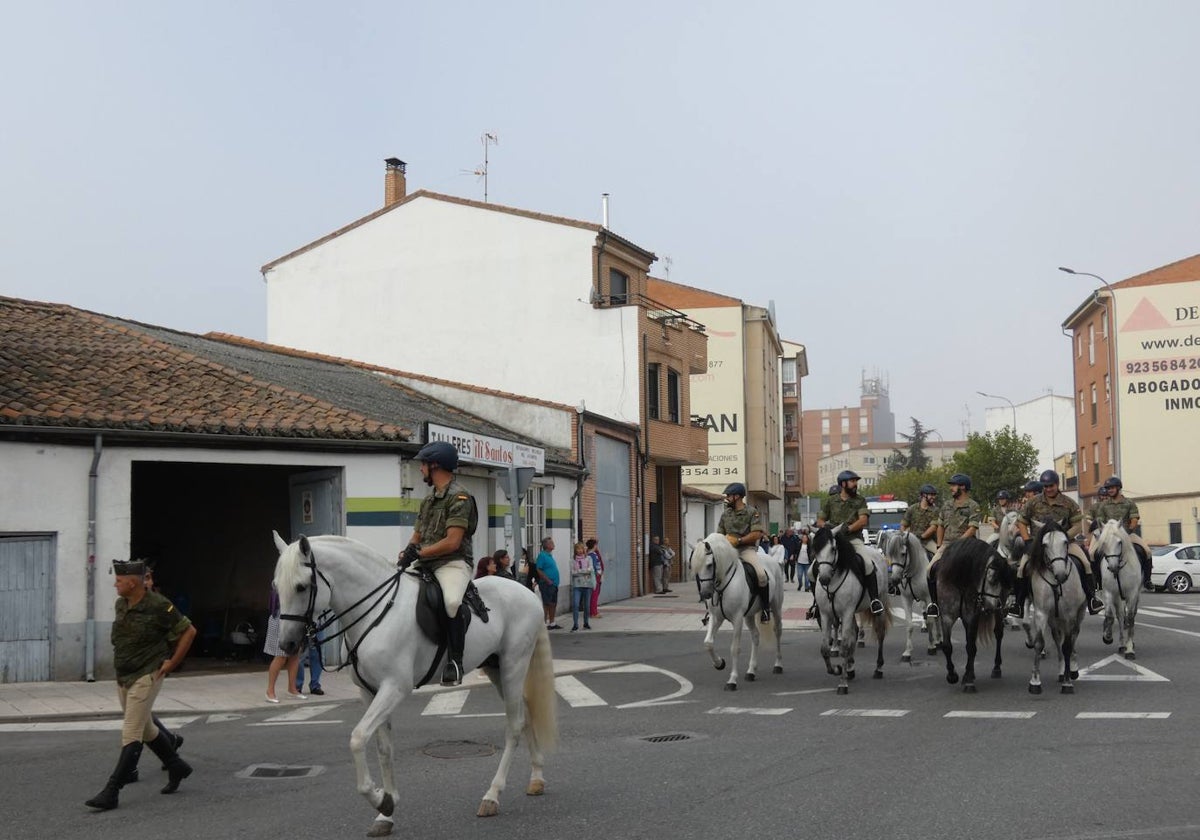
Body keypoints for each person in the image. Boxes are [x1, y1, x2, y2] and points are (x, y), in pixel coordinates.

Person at [85, 559, 196, 810]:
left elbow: (188, 632)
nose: (115, 584)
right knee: (147, 730)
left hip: (148, 673)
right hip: (125, 675)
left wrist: (172, 662)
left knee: (131, 732)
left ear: (132, 582)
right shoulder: (120, 604)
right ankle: (177, 766)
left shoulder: (159, 605)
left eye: (119, 580)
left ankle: (112, 791)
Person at [397, 440, 480, 686]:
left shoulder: (460, 497)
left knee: (452, 601)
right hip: (427, 563)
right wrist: (406, 553)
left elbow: (453, 542)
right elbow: (418, 535)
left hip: (452, 563)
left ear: (435, 465)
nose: (420, 469)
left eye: (423, 464)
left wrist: (420, 553)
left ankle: (455, 662)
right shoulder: (428, 499)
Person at [1008, 469, 1104, 618]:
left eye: (1051, 485)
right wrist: (1027, 541)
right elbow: (1021, 522)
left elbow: (1078, 524)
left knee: (1085, 563)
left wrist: (1062, 537)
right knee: (1021, 568)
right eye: (1045, 486)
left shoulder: (1068, 502)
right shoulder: (1033, 502)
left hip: (1064, 543)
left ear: (1057, 484)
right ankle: (1018, 604)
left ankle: (1092, 599)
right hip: (1039, 545)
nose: (1048, 489)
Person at [816, 470, 884, 615]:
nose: (855, 484)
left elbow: (863, 520)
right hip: (834, 541)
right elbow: (820, 520)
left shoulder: (860, 500)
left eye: (855, 481)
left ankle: (874, 600)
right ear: (843, 484)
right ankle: (817, 603)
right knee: (813, 570)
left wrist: (848, 529)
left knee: (867, 564)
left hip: (853, 540)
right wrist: (828, 529)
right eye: (853, 481)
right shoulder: (830, 501)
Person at [924, 474, 982, 618]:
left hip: (967, 545)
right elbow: (940, 526)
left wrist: (959, 543)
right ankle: (934, 604)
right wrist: (939, 545)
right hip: (947, 544)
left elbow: (972, 528)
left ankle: (982, 601)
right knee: (929, 569)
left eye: (953, 485)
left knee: (982, 570)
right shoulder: (946, 505)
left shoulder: (973, 505)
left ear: (962, 487)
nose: (951, 488)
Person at [718, 482, 773, 623]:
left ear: (737, 496)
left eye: (729, 496)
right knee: (712, 571)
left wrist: (739, 541)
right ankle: (712, 609)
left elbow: (756, 534)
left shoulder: (751, 512)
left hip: (746, 550)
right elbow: (720, 534)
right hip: (728, 551)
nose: (727, 498)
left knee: (761, 575)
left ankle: (765, 609)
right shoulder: (725, 514)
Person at [1087, 476, 1153, 589]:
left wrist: (1128, 530)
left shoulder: (1129, 503)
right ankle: (1097, 581)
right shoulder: (1104, 505)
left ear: (1118, 488)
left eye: (1112, 488)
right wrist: (1104, 532)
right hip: (1108, 535)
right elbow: (1100, 521)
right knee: (1092, 554)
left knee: (1147, 551)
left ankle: (1147, 580)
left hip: (1127, 533)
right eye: (1108, 488)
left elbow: (1134, 520)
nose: (1110, 490)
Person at [264, 582, 305, 703]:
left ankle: (292, 689)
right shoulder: (281, 579)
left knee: (295, 655)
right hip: (280, 619)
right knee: (281, 656)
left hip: (293, 619)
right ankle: (270, 691)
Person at [901, 483, 940, 558]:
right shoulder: (912, 508)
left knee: (939, 555)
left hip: (927, 541)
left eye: (934, 495)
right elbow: (904, 525)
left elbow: (933, 527)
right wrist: (903, 538)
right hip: (911, 540)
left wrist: (921, 537)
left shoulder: (935, 510)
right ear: (924, 495)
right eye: (931, 495)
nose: (933, 497)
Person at [534, 536, 561, 629]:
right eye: (551, 543)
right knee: (547, 603)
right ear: (546, 545)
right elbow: (539, 569)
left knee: (553, 603)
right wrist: (547, 580)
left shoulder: (550, 555)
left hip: (554, 584)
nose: (553, 544)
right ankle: (544, 623)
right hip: (546, 584)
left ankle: (552, 622)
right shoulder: (542, 555)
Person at [569, 542, 595, 631]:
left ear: (583, 549)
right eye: (577, 549)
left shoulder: (588, 558)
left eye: (581, 549)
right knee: (575, 604)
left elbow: (590, 569)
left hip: (587, 585)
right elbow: (573, 572)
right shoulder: (572, 560)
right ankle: (575, 624)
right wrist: (584, 571)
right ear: (575, 550)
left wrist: (580, 571)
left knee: (586, 606)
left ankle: (586, 623)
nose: (579, 551)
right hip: (577, 586)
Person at [294, 623, 324, 696]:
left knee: (317, 655)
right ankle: (297, 685)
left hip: (317, 624)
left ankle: (315, 685)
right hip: (302, 625)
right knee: (300, 657)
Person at [587, 539, 605, 618]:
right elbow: (594, 565)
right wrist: (598, 573)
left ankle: (594, 611)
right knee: (594, 595)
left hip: (597, 576)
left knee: (595, 594)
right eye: (596, 545)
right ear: (594, 545)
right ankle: (593, 612)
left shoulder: (592, 553)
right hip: (596, 576)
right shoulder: (592, 555)